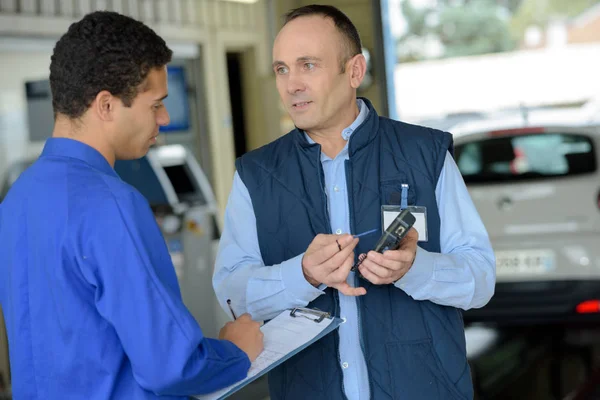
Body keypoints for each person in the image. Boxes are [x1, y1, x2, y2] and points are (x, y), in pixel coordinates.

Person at [213, 4, 496, 400]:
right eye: (281, 69)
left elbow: (480, 279)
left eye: (307, 65)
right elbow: (231, 294)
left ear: (355, 71)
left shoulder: (424, 154)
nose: (291, 83)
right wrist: (303, 275)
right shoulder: (256, 174)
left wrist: (415, 268)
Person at [0, 11, 263, 400]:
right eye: (155, 104)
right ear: (106, 105)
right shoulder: (111, 204)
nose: (165, 117)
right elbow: (172, 366)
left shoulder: (17, 198)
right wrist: (237, 352)